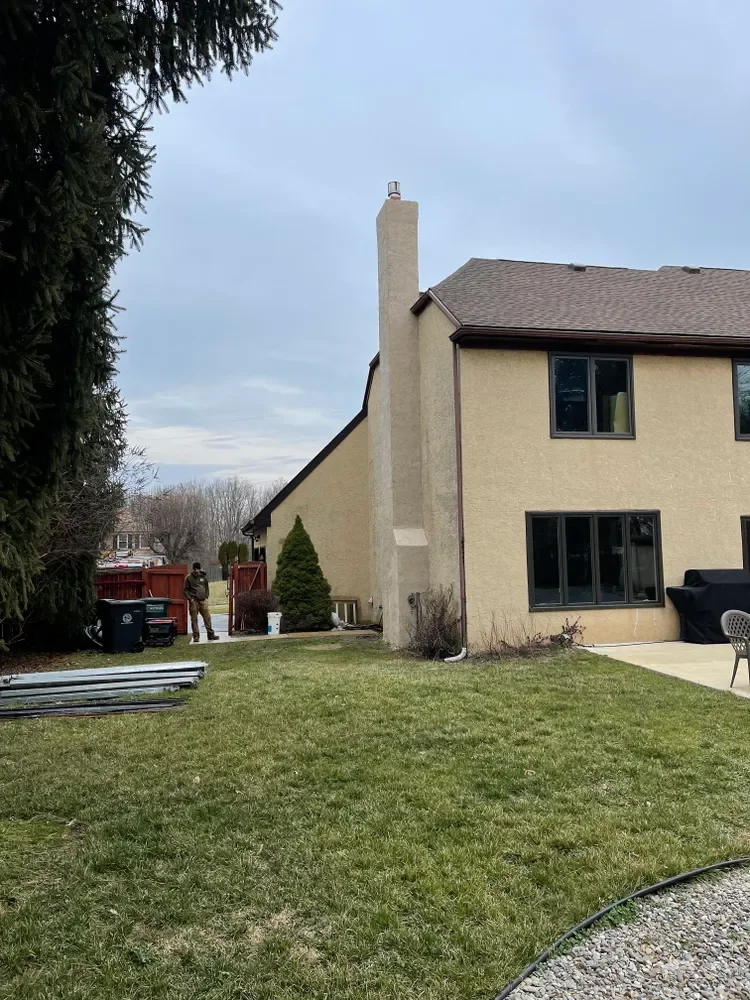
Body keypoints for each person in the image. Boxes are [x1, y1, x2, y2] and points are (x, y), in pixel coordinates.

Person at [184, 562, 219, 642]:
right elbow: (185, 590)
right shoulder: (188, 578)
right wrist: (190, 599)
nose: (196, 571)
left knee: (207, 617)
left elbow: (206, 587)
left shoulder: (203, 577)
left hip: (203, 600)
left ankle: (210, 634)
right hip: (194, 601)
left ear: (199, 569)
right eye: (194, 569)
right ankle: (196, 636)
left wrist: (206, 596)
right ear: (192, 569)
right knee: (194, 619)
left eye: (197, 569)